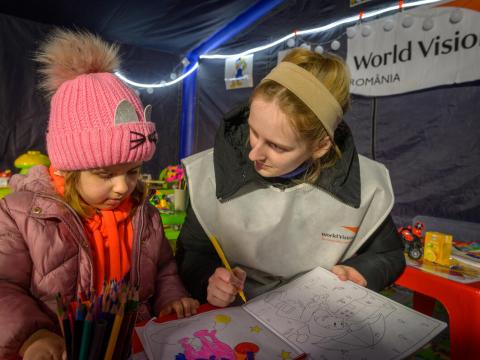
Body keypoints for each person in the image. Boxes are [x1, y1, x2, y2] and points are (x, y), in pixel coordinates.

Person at [0, 30, 199, 360]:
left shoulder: (145, 214)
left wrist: (171, 298)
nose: (123, 187)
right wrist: (32, 335)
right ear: (67, 169)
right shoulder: (19, 215)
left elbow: (164, 269)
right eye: (105, 174)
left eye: (133, 171)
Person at [176, 48, 406, 308]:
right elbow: (193, 253)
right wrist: (209, 280)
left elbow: (389, 253)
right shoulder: (211, 173)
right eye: (252, 130)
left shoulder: (366, 186)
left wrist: (361, 272)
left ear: (320, 146)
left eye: (277, 146)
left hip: (317, 318)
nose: (254, 154)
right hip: (238, 317)